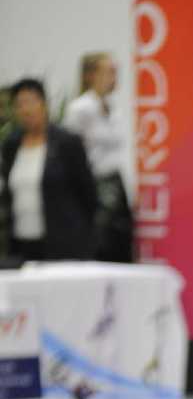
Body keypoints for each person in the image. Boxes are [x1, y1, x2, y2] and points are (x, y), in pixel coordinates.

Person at [0, 78, 96, 262]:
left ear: (44, 104)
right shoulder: (11, 145)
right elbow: (8, 194)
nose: (26, 110)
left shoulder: (67, 142)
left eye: (31, 102)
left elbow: (88, 194)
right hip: (22, 243)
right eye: (20, 104)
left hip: (61, 244)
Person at [63, 52, 134, 262]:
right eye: (109, 72)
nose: (114, 77)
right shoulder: (80, 109)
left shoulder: (114, 109)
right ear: (90, 75)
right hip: (95, 185)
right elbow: (71, 153)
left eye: (115, 72)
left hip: (116, 183)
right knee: (102, 245)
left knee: (122, 244)